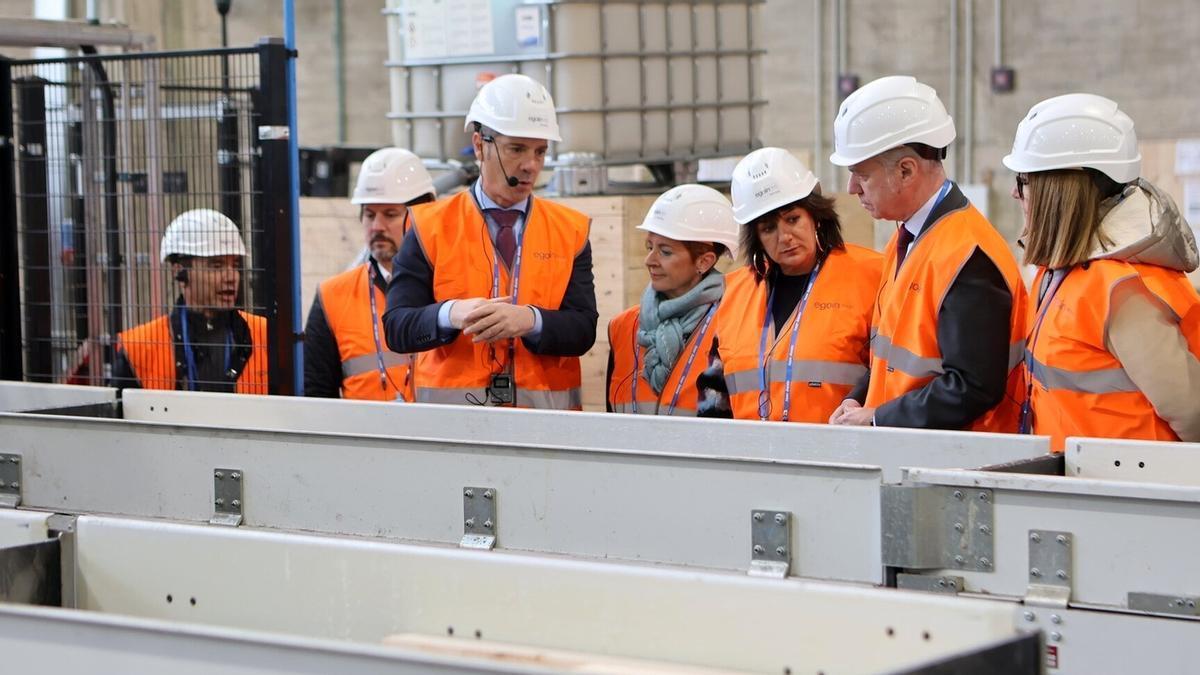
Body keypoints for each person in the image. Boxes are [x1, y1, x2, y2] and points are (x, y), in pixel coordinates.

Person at [383, 74, 597, 409]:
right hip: (452, 432)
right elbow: (397, 327)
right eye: (517, 149)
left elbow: (584, 329)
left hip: (546, 431)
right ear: (481, 145)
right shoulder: (428, 226)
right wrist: (451, 314)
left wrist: (530, 320)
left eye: (540, 152)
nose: (531, 166)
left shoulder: (571, 231)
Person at [826, 75, 1028, 431]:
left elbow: (972, 387)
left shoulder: (967, 256)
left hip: (958, 466)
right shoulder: (907, 239)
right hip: (910, 452)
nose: (851, 188)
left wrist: (877, 418)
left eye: (862, 175)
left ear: (906, 170)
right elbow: (892, 356)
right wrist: (857, 397)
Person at [1003, 93, 1200, 450]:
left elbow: (1192, 413)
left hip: (1130, 493)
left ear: (1062, 188)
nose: (1015, 194)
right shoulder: (1065, 269)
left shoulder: (1124, 289)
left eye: (1023, 180)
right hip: (1087, 485)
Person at [703, 147, 882, 422]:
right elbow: (715, 395)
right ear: (757, 238)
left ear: (815, 217)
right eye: (768, 228)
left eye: (792, 219)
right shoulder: (734, 293)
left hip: (842, 456)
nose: (784, 237)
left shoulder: (871, 274)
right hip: (754, 460)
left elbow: (889, 373)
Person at [304, 147, 436, 400]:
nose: (376, 227)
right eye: (369, 214)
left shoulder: (452, 284)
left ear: (425, 216)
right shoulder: (333, 296)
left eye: (390, 215)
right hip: (366, 438)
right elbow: (316, 393)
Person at [606, 185, 739, 416]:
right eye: (650, 247)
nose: (649, 260)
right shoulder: (622, 327)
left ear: (704, 262)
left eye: (665, 252)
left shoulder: (732, 327)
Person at [112, 209, 267, 392]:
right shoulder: (139, 348)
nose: (231, 277)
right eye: (216, 266)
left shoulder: (265, 335)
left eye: (234, 265)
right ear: (179, 272)